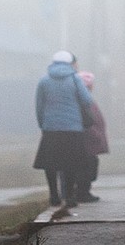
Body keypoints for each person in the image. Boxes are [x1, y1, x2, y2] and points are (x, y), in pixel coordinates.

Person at [33, 50, 95, 210]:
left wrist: (43, 125)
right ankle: (69, 196)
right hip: (72, 128)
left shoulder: (44, 81)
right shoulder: (75, 79)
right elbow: (87, 100)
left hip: (51, 128)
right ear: (69, 63)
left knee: (50, 163)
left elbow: (39, 107)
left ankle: (54, 195)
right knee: (71, 163)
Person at [76, 70, 110, 203]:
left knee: (90, 165)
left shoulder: (86, 99)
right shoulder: (85, 101)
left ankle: (84, 191)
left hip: (91, 138)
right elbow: (87, 121)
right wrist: (95, 133)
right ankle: (83, 192)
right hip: (88, 139)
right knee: (88, 166)